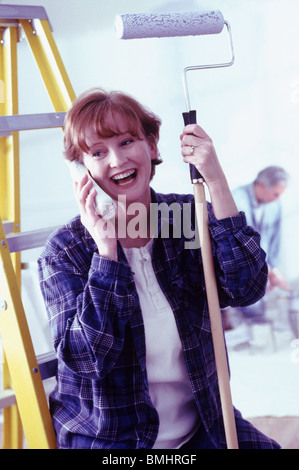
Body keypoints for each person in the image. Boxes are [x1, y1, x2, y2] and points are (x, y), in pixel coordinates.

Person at [37, 88, 280, 449]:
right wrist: (107, 253)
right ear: (81, 170)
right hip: (117, 442)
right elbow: (87, 360)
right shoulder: (67, 250)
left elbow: (247, 287)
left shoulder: (181, 217)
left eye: (127, 141)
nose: (117, 160)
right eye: (98, 152)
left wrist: (215, 180)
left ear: (152, 145)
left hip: (207, 426)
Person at [232, 166, 290, 320]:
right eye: (276, 194)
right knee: (246, 315)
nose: (278, 198)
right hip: (243, 272)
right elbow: (246, 242)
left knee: (261, 317)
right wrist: (271, 273)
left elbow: (275, 242)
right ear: (263, 185)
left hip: (264, 272)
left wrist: (273, 269)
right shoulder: (238, 199)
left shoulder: (275, 205)